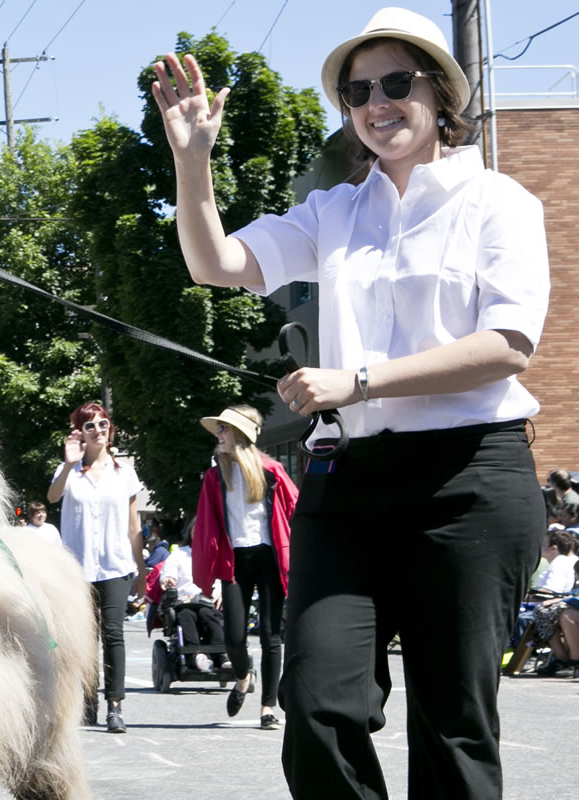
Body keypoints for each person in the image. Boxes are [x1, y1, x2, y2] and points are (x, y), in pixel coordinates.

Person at [152, 7, 549, 797]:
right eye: (358, 90)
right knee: (317, 705)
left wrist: (358, 379)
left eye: (397, 82)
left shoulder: (498, 203)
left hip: (471, 480)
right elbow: (215, 263)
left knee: (453, 723)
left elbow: (508, 346)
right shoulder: (335, 213)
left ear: (440, 93)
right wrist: (192, 161)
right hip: (352, 484)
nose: (377, 102)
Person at [192, 406, 296, 731]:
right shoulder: (214, 476)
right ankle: (242, 676)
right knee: (234, 637)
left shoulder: (272, 471)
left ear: (240, 433)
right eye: (219, 428)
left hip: (268, 557)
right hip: (234, 561)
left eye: (224, 429)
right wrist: (205, 573)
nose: (218, 434)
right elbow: (207, 526)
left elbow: (296, 508)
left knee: (271, 635)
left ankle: (268, 707)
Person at [47, 402, 146, 734]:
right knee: (85, 639)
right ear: (80, 433)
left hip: (116, 566)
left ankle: (114, 705)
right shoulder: (70, 472)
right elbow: (52, 497)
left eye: (104, 424)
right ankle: (88, 698)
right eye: (90, 426)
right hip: (76, 569)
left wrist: (142, 572)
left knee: (114, 634)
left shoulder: (125, 473)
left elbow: (134, 528)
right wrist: (67, 463)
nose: (99, 430)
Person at [159, 518, 229, 673]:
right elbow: (168, 573)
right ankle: (194, 655)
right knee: (186, 616)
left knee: (208, 615)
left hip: (208, 601)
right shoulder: (179, 554)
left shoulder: (215, 553)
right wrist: (168, 579)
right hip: (184, 601)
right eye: (195, 530)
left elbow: (221, 578)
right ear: (189, 532)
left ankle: (222, 655)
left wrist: (221, 592)